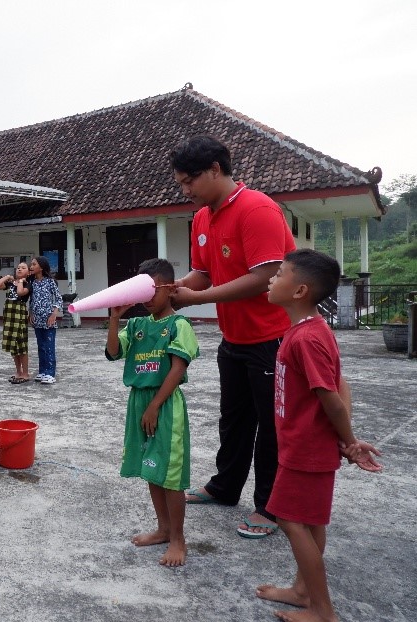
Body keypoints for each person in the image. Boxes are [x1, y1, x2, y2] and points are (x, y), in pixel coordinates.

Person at [169, 135, 296, 538]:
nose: (185, 190)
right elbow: (203, 272)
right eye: (181, 183)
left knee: (272, 425)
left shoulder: (256, 209)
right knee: (234, 417)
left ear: (216, 170)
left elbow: (265, 277)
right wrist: (173, 288)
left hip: (273, 336)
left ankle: (272, 507)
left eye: (190, 181)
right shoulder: (204, 217)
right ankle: (225, 488)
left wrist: (198, 298)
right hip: (235, 336)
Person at [257, 249, 382, 622]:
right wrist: (345, 441)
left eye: (279, 274)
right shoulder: (307, 331)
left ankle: (322, 610)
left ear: (300, 291)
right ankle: (302, 590)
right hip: (305, 445)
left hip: (305, 449)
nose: (271, 279)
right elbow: (339, 383)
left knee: (288, 520)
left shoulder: (306, 339)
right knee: (311, 521)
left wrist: (351, 441)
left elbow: (331, 397)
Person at [105, 258, 199, 567]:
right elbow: (114, 353)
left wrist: (156, 406)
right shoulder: (136, 325)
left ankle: (178, 539)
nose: (147, 298)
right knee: (151, 467)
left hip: (165, 404)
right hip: (139, 401)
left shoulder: (179, 326)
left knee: (170, 474)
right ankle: (162, 529)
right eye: (141, 291)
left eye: (153, 290)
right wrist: (115, 319)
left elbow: (177, 369)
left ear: (171, 289)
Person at [17, 256, 62, 384]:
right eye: (31, 264)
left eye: (34, 264)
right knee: (41, 346)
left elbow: (58, 299)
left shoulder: (50, 282)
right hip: (37, 320)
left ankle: (50, 373)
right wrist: (30, 313)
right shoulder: (33, 283)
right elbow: (32, 300)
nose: (31, 267)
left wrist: (54, 314)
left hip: (48, 319)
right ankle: (42, 371)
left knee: (49, 346)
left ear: (41, 267)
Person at [0, 261, 30, 383]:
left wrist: (20, 281)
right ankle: (18, 371)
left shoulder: (28, 284)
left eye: (23, 268)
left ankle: (25, 373)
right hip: (9, 316)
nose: (19, 269)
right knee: (13, 345)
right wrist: (7, 277)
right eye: (18, 268)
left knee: (21, 345)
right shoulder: (10, 284)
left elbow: (20, 292)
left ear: (28, 272)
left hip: (19, 315)